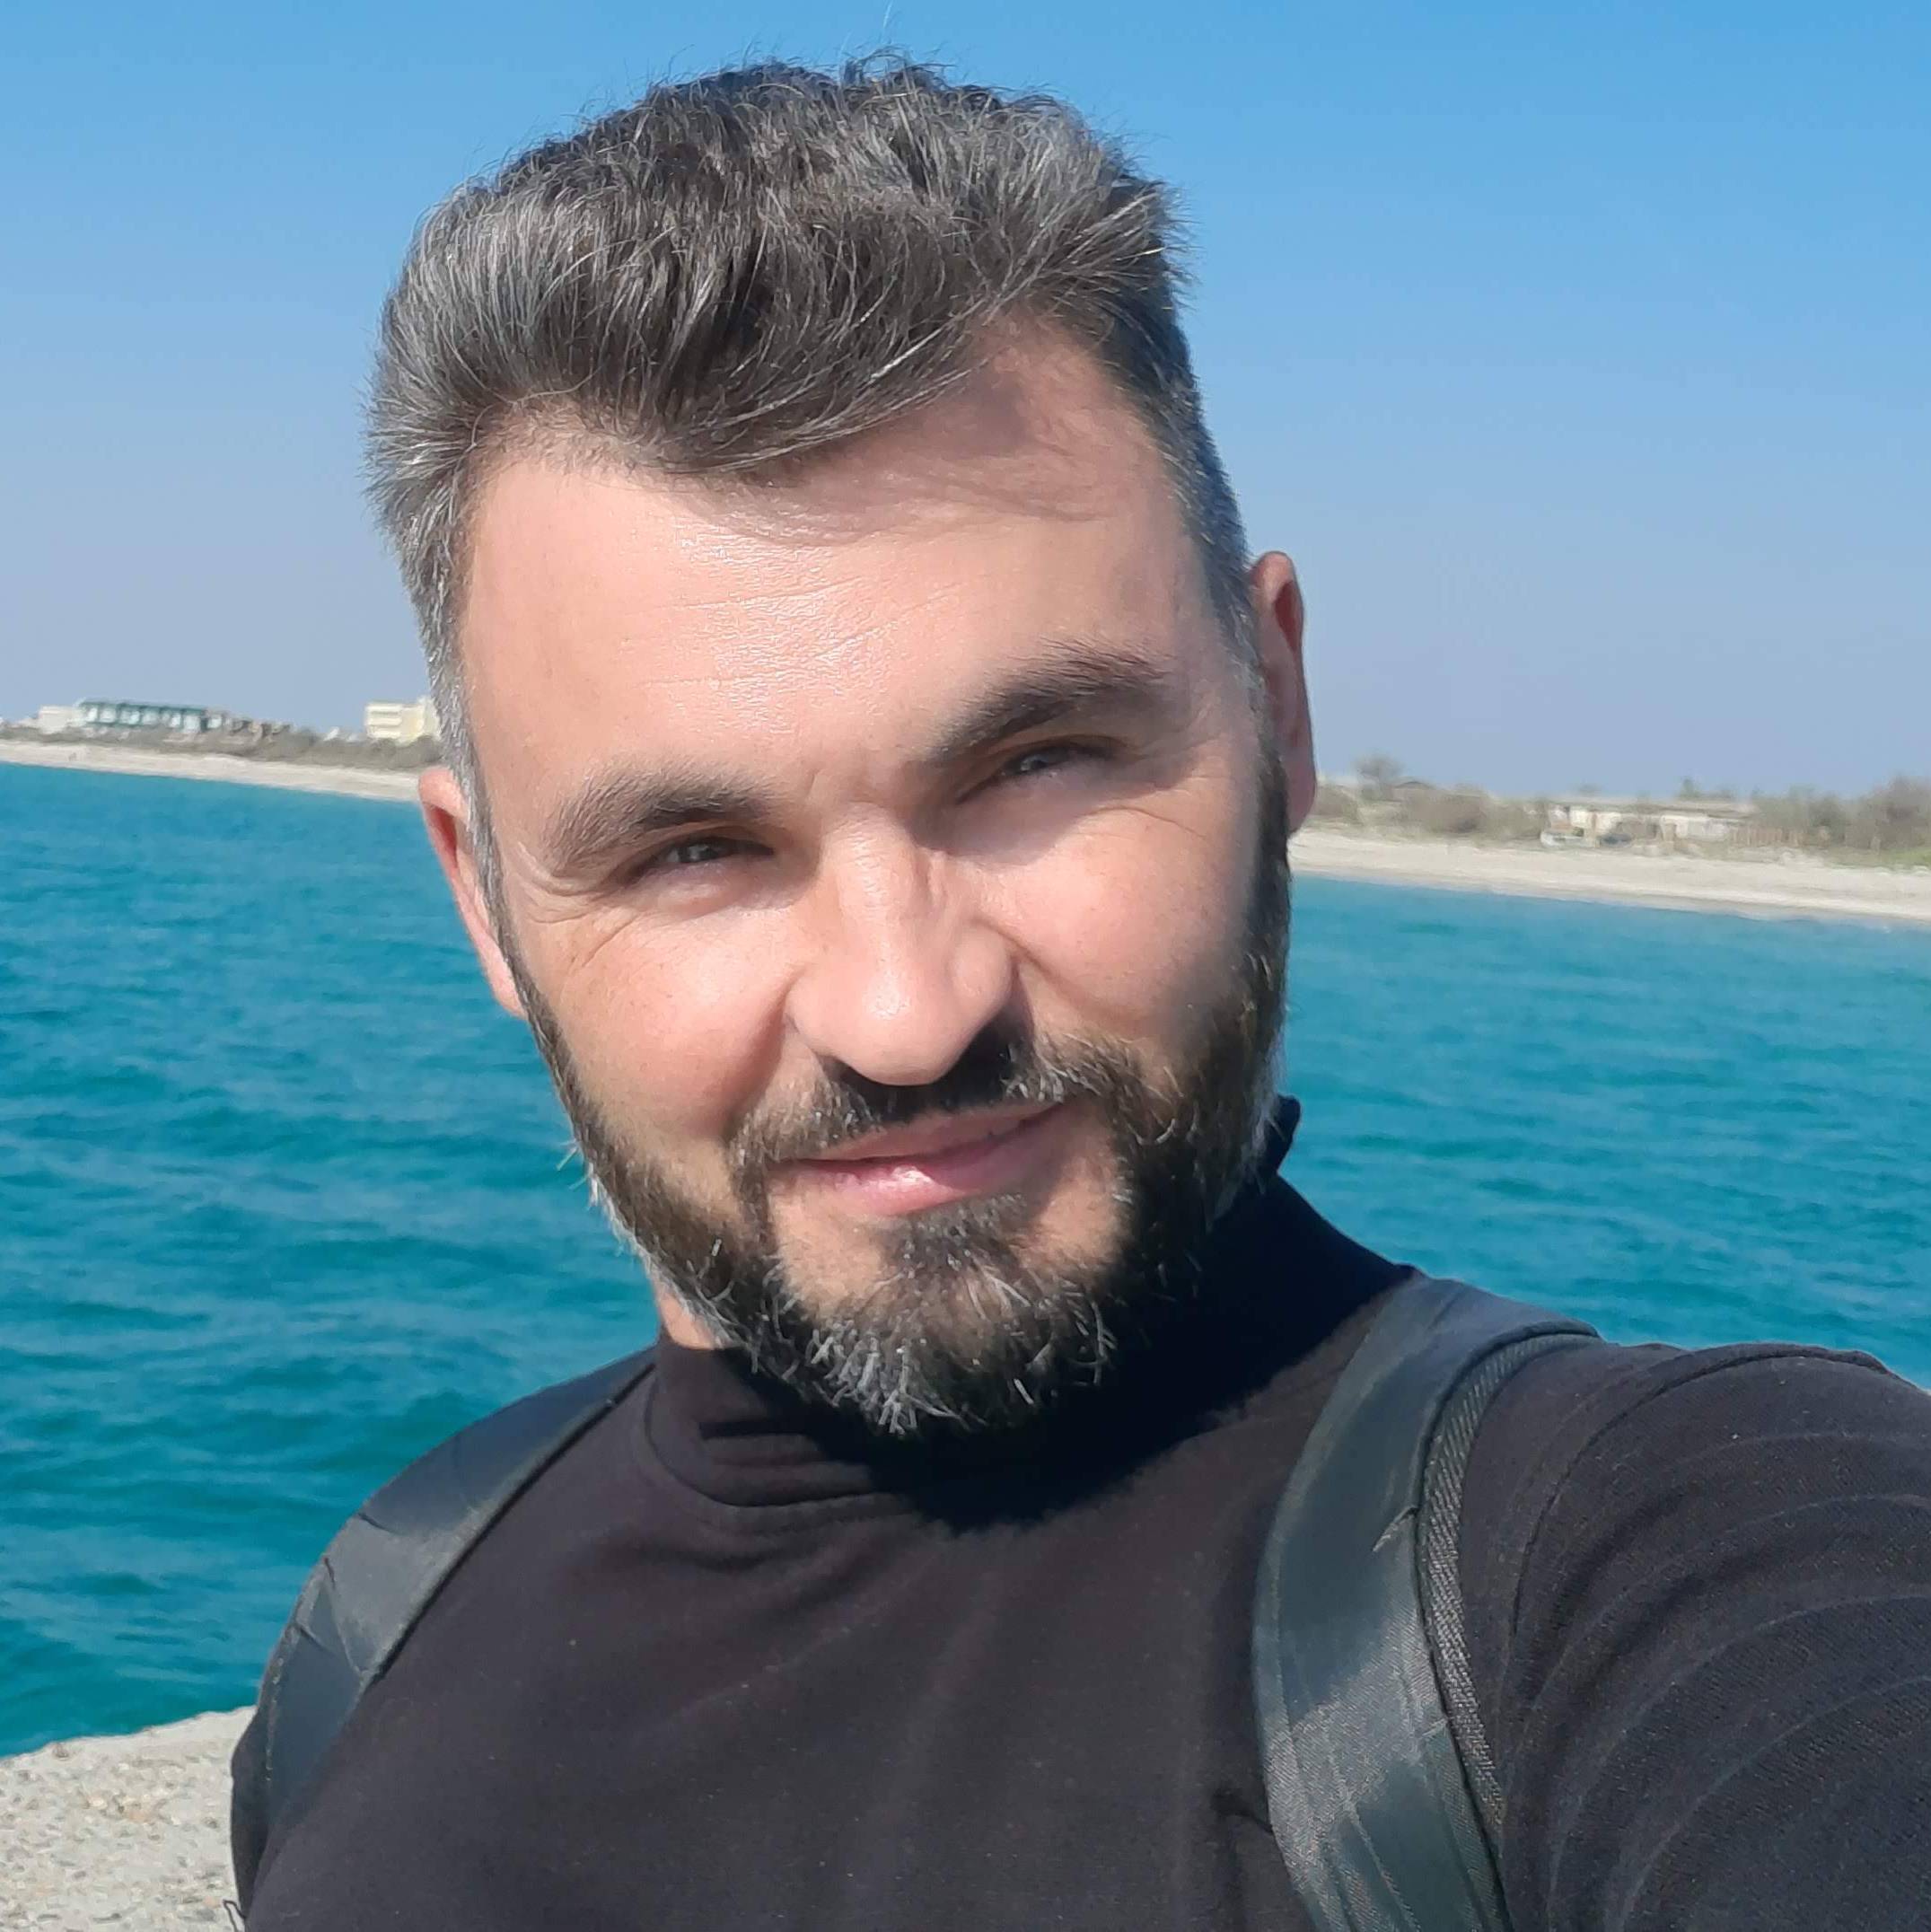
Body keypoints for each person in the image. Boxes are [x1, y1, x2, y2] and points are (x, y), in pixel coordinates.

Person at [231, 57, 1931, 1930]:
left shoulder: (1665, 1549)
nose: (904, 1011)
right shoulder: (378, 1628)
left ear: (1274, 706)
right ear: (485, 901)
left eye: (1035, 762)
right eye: (693, 848)